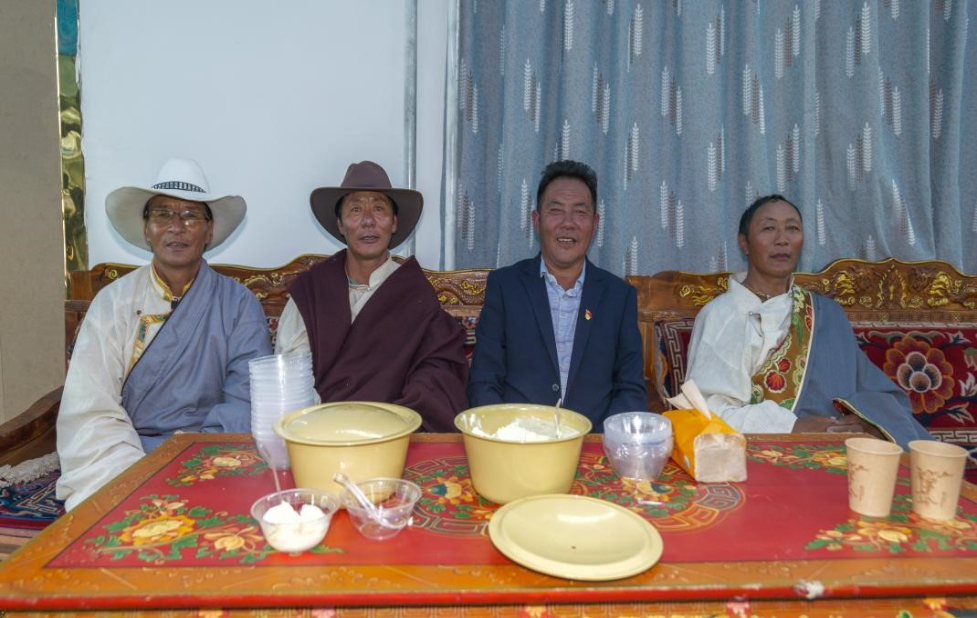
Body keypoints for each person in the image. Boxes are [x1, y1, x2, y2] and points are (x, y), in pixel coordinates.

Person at [56, 157, 272, 510]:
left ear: (209, 231)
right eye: (162, 214)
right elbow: (92, 405)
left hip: (210, 452)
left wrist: (194, 455)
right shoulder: (113, 302)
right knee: (111, 509)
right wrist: (137, 471)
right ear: (146, 229)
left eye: (191, 216)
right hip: (125, 453)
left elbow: (245, 401)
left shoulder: (239, 304)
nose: (177, 227)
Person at [684, 194, 931, 447]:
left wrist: (864, 423)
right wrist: (791, 427)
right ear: (744, 243)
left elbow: (878, 395)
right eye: (768, 228)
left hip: (842, 450)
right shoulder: (721, 315)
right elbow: (705, 413)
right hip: (761, 455)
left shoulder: (826, 314)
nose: (782, 239)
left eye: (792, 228)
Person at [275, 161, 468, 431]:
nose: (368, 221)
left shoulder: (414, 293)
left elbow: (435, 376)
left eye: (379, 209)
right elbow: (291, 373)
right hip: (320, 431)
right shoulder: (313, 290)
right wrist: (325, 425)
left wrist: (393, 423)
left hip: (391, 432)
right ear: (341, 225)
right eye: (355, 210)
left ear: (393, 223)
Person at [468, 160, 647, 428]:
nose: (568, 223)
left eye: (580, 212)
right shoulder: (505, 286)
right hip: (518, 440)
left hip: (593, 443)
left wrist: (600, 443)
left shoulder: (618, 297)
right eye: (556, 211)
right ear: (536, 220)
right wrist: (505, 435)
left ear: (595, 224)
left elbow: (630, 389)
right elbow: (484, 380)